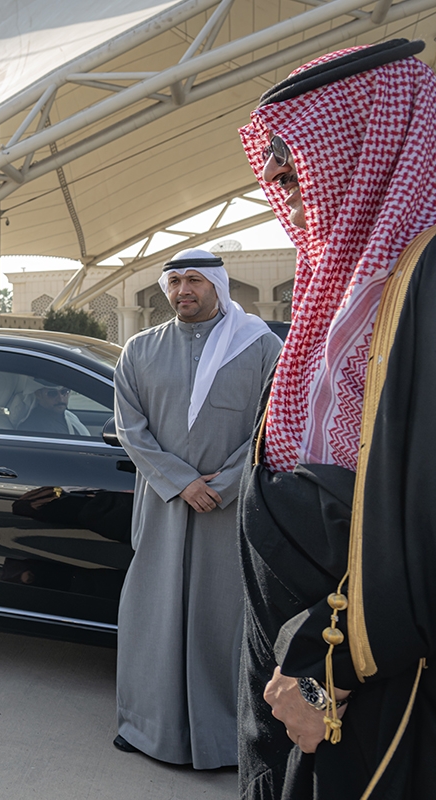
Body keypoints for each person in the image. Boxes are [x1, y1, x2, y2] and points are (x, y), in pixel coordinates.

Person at [235, 39, 436, 800]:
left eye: (293, 162)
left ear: (368, 139)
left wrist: (327, 671)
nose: (279, 182)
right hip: (294, 664)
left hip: (367, 679)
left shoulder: (426, 282)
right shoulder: (342, 286)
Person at [113, 248, 280, 768]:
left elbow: (272, 425)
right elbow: (130, 429)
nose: (182, 290)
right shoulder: (139, 349)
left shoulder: (260, 346)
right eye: (174, 282)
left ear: (217, 285)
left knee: (221, 620)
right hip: (164, 506)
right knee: (153, 615)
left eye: (194, 280)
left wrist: (224, 484)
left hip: (227, 510)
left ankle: (224, 739)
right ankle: (146, 727)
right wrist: (183, 482)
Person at [18, 380, 89, 435]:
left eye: (64, 392)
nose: (61, 399)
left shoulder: (68, 416)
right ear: (38, 394)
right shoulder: (33, 427)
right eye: (52, 393)